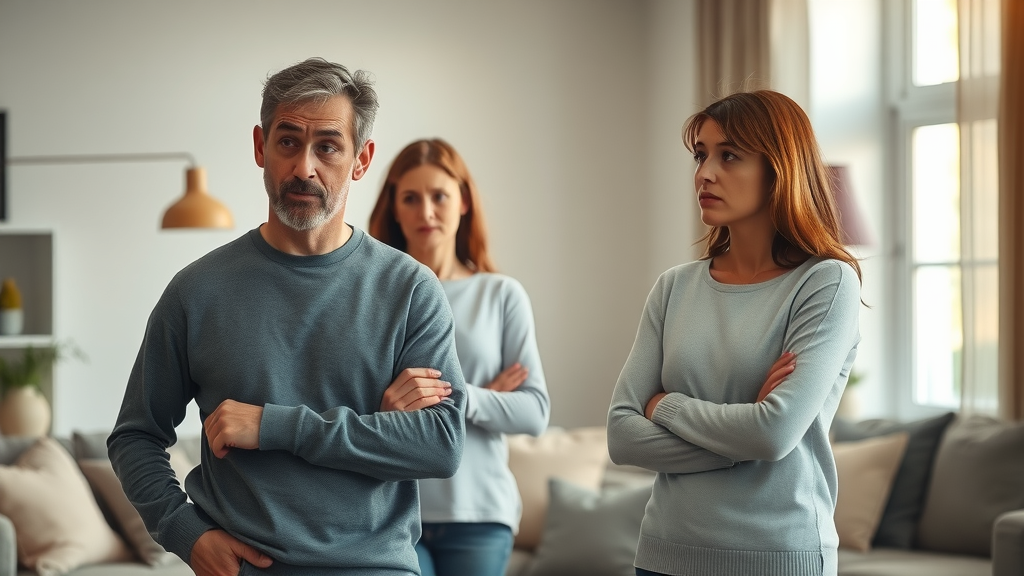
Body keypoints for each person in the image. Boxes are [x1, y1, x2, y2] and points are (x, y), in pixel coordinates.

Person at [107, 58, 467, 576]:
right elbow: (135, 436)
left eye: (328, 146)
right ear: (260, 147)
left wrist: (274, 426)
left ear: (361, 160)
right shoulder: (196, 291)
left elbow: (441, 445)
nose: (304, 168)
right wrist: (186, 534)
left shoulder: (410, 290)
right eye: (288, 142)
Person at [607, 90, 862, 576]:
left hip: (779, 559)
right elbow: (622, 436)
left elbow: (772, 434)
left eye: (729, 156)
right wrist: (740, 435)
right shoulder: (674, 287)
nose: (704, 173)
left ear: (779, 168)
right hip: (663, 556)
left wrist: (666, 406)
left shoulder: (826, 282)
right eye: (701, 154)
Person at [368, 139, 550, 576]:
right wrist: (488, 397)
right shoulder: (370, 298)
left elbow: (534, 413)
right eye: (410, 198)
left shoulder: (500, 294)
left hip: (480, 515)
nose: (425, 212)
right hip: (391, 514)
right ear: (393, 208)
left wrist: (458, 397)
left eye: (439, 196)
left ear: (464, 201)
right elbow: (356, 400)